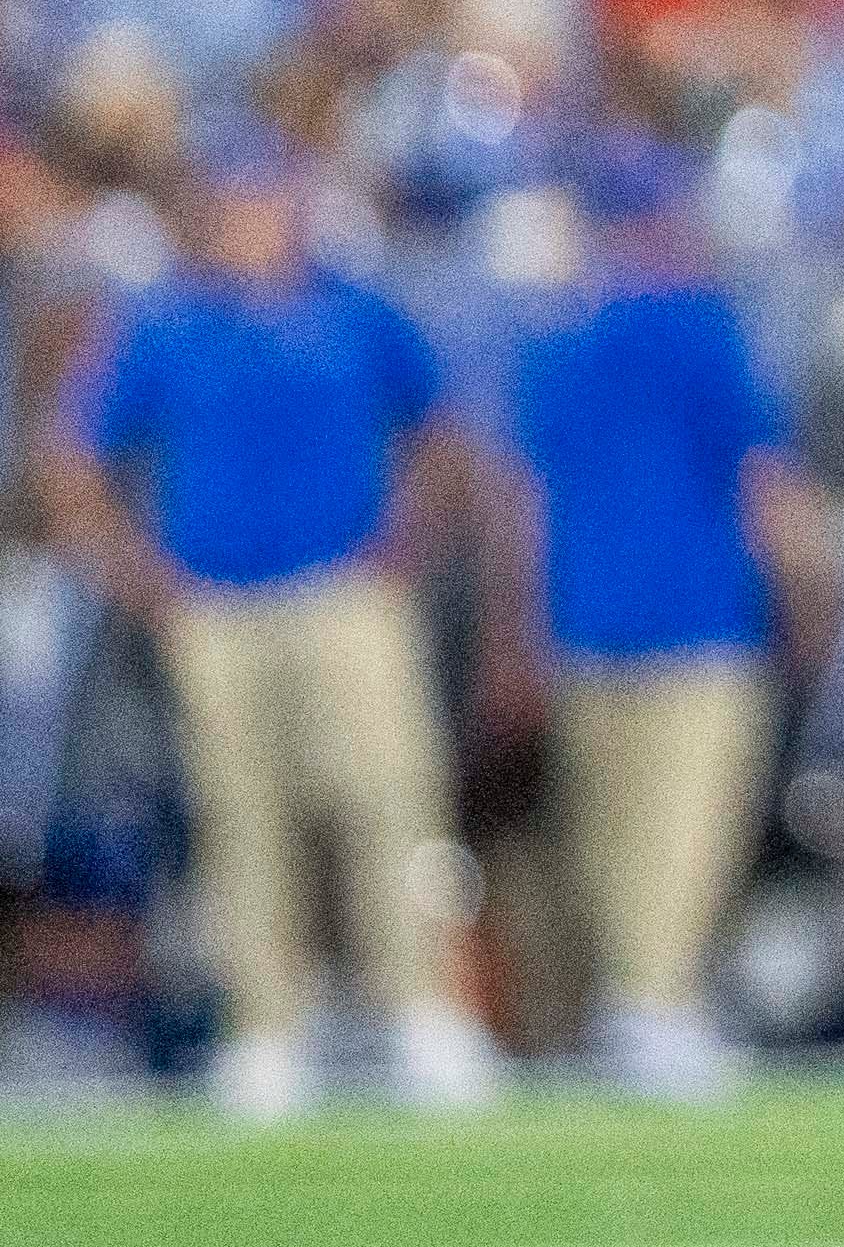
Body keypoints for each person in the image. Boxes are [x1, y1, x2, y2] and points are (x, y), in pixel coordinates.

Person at [42, 135, 501, 1116]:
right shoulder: (165, 321)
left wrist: (404, 537)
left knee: (388, 798)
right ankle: (266, 1026)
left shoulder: (353, 307)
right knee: (242, 816)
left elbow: (445, 430)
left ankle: (421, 1011)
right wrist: (139, 572)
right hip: (215, 604)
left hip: (345, 591)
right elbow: (74, 457)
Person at [504, 131, 825, 1100]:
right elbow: (761, 476)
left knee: (609, 834)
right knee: (684, 827)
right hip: (697, 616)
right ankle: (656, 1007)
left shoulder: (556, 338)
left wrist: (522, 627)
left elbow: (522, 498)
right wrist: (808, 596)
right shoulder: (699, 324)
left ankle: (629, 999)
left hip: (585, 620)